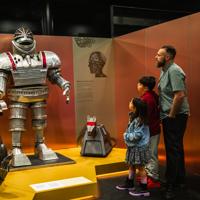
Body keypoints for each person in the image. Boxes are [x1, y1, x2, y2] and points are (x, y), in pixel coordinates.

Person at [0, 27, 70, 167]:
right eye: (22, 42)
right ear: (15, 42)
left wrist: (64, 84)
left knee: (40, 122)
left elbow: (54, 75)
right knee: (17, 123)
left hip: (39, 94)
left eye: (28, 42)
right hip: (17, 97)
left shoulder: (46, 57)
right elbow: (2, 78)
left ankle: (40, 144)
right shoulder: (6, 59)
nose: (26, 45)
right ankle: (16, 148)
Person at [155, 45, 190, 199]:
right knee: (176, 148)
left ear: (167, 57)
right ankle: (179, 181)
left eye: (158, 55)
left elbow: (180, 95)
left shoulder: (174, 70)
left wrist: (171, 115)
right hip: (170, 115)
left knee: (172, 150)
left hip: (175, 116)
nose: (156, 57)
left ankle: (171, 185)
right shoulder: (164, 70)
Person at [116, 97, 151, 197]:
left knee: (141, 168)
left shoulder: (140, 120)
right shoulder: (134, 117)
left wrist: (126, 136)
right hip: (134, 148)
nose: (129, 103)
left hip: (139, 148)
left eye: (131, 102)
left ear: (135, 107)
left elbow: (137, 135)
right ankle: (129, 184)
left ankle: (144, 190)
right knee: (131, 165)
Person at [137, 76, 161, 188]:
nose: (138, 86)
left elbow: (145, 117)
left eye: (139, 84)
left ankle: (154, 179)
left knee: (151, 155)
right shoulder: (151, 96)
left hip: (151, 131)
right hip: (152, 130)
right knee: (150, 153)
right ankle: (148, 176)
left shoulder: (147, 99)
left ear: (145, 87)